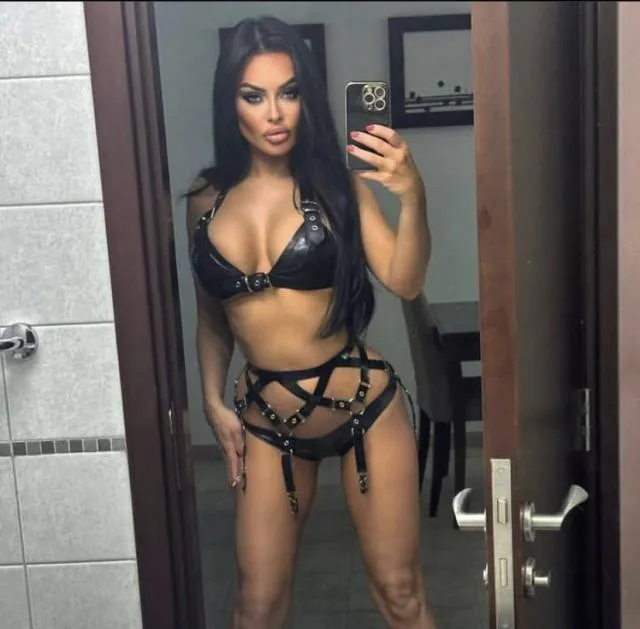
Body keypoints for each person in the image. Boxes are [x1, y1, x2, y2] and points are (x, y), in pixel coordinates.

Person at [186, 15, 435, 629]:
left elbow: (404, 280)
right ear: (230, 103)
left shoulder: (337, 184)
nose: (275, 114)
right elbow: (212, 316)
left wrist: (413, 196)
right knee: (256, 606)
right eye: (254, 96)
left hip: (363, 406)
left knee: (399, 594)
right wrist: (211, 400)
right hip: (267, 419)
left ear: (307, 98)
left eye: (289, 92)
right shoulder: (206, 200)